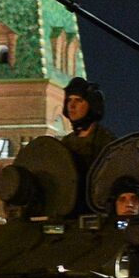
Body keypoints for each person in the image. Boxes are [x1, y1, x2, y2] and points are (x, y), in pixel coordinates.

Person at [59, 77, 115, 212]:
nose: (72, 106)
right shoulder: (64, 145)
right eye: (69, 100)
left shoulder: (107, 143)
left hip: (96, 209)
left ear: (92, 105)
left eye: (78, 100)